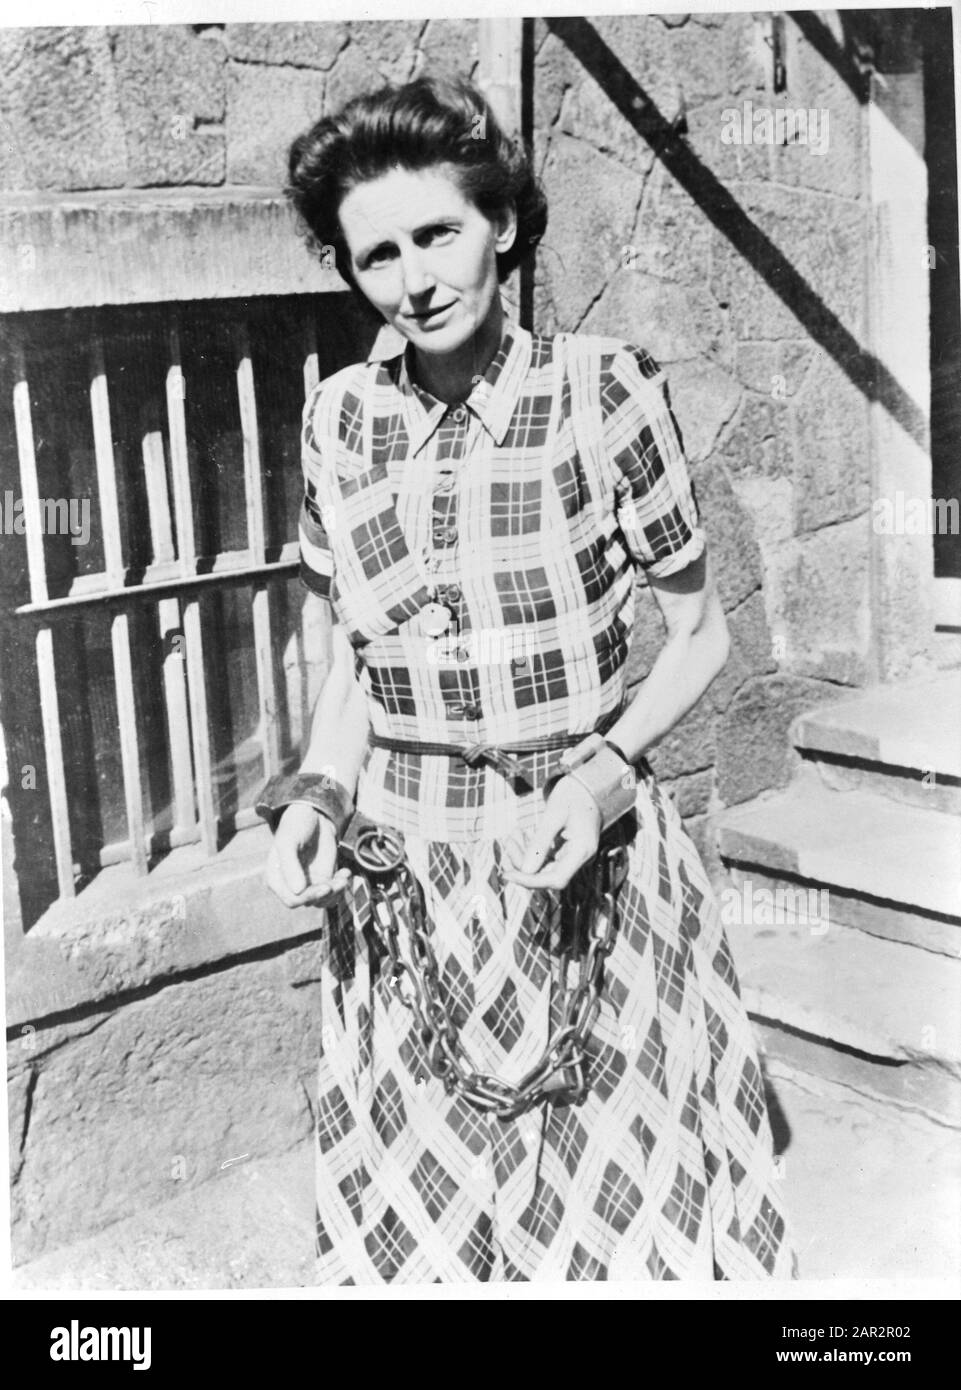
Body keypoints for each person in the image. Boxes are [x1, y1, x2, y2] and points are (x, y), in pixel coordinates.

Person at [259, 74, 794, 1283]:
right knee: (432, 1213)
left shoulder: (604, 392)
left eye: (437, 233)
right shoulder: (339, 421)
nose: (414, 280)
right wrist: (321, 795)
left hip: (580, 866)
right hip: (405, 885)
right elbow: (355, 647)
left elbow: (699, 631)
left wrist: (604, 779)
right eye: (376, 256)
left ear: (500, 222)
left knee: (599, 1215)